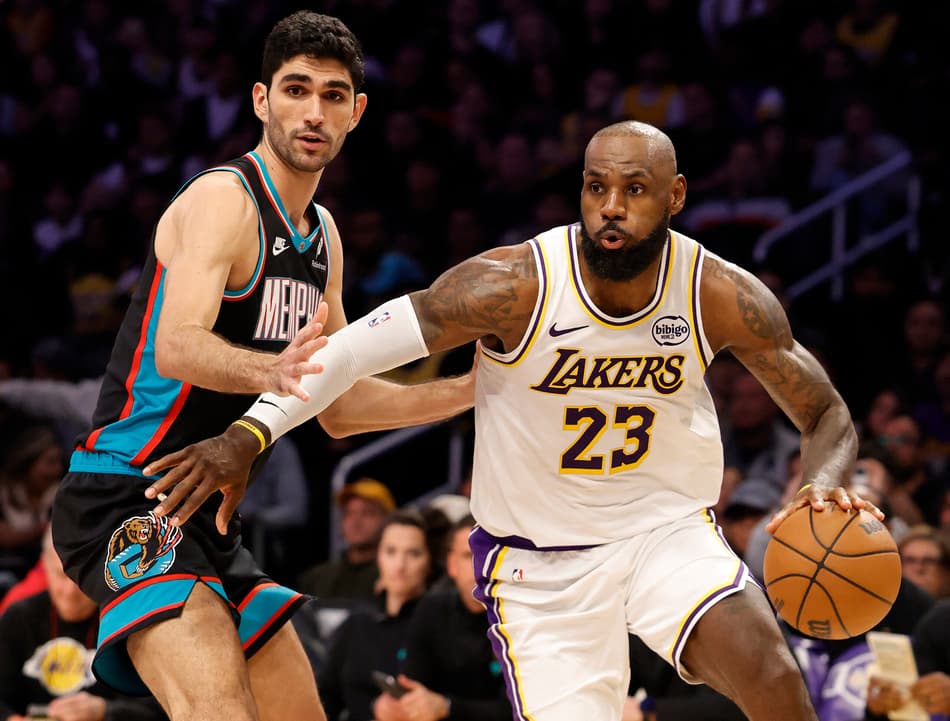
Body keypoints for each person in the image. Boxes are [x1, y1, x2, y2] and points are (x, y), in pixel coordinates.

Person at [146, 120, 882, 721]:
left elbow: (826, 411)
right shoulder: (513, 285)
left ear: (676, 195)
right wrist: (249, 434)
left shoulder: (717, 292)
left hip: (663, 533)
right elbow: (346, 354)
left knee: (772, 674)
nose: (611, 207)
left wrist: (821, 481)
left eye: (634, 189)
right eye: (596, 187)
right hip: (541, 566)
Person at [50, 12, 475, 721]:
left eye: (333, 96)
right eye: (295, 90)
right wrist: (272, 372)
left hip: (207, 515)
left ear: (356, 113)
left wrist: (471, 390)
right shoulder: (224, 199)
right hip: (127, 490)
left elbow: (340, 407)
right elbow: (177, 345)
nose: (313, 112)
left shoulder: (324, 236)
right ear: (260, 99)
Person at [0, 528, 167, 721]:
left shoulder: (128, 621)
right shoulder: (20, 616)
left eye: (81, 579)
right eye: (61, 575)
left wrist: (104, 710)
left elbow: (163, 705)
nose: (70, 591)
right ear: (44, 565)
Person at [374, 514, 512, 721]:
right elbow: (413, 687)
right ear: (451, 564)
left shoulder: (519, 618)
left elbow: (519, 710)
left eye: (488, 555)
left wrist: (446, 706)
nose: (480, 566)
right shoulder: (432, 610)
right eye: (468, 555)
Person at [317, 509, 436, 721]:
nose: (400, 565)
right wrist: (373, 707)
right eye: (391, 551)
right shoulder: (357, 623)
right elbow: (324, 697)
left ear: (430, 562)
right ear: (378, 556)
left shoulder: (441, 623)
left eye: (413, 553)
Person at [297, 477, 396, 600]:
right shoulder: (316, 578)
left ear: (387, 520)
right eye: (349, 513)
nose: (356, 522)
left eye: (367, 513)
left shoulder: (396, 579)